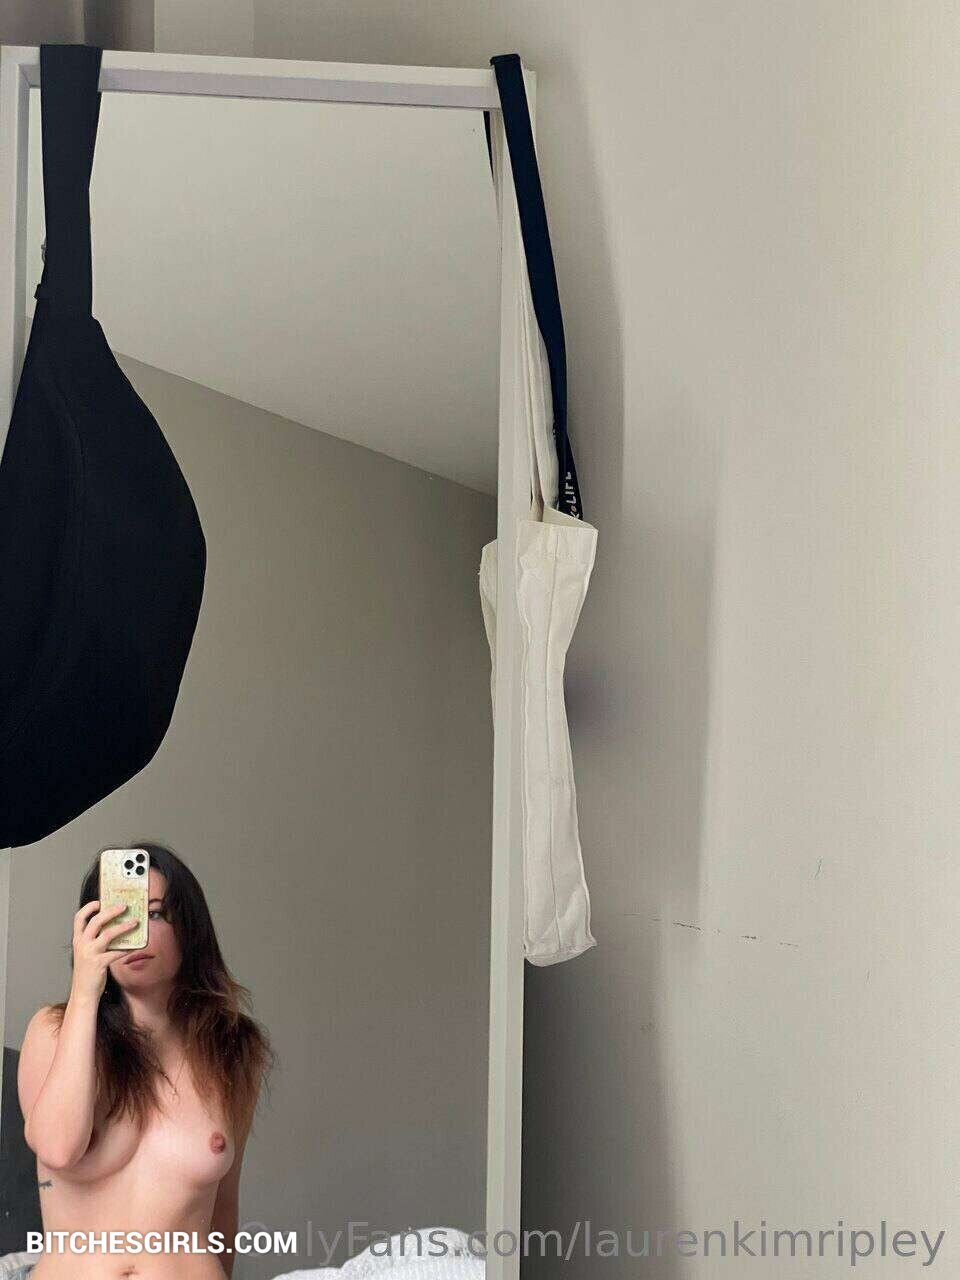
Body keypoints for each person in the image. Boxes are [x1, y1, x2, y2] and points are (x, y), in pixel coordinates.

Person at [16, 843, 273, 1279]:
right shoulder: (53, 1030)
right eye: (116, 917)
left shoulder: (234, 1047)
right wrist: (85, 991)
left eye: (154, 913)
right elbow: (58, 1148)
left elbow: (224, 1207)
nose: (135, 930)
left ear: (189, 927)